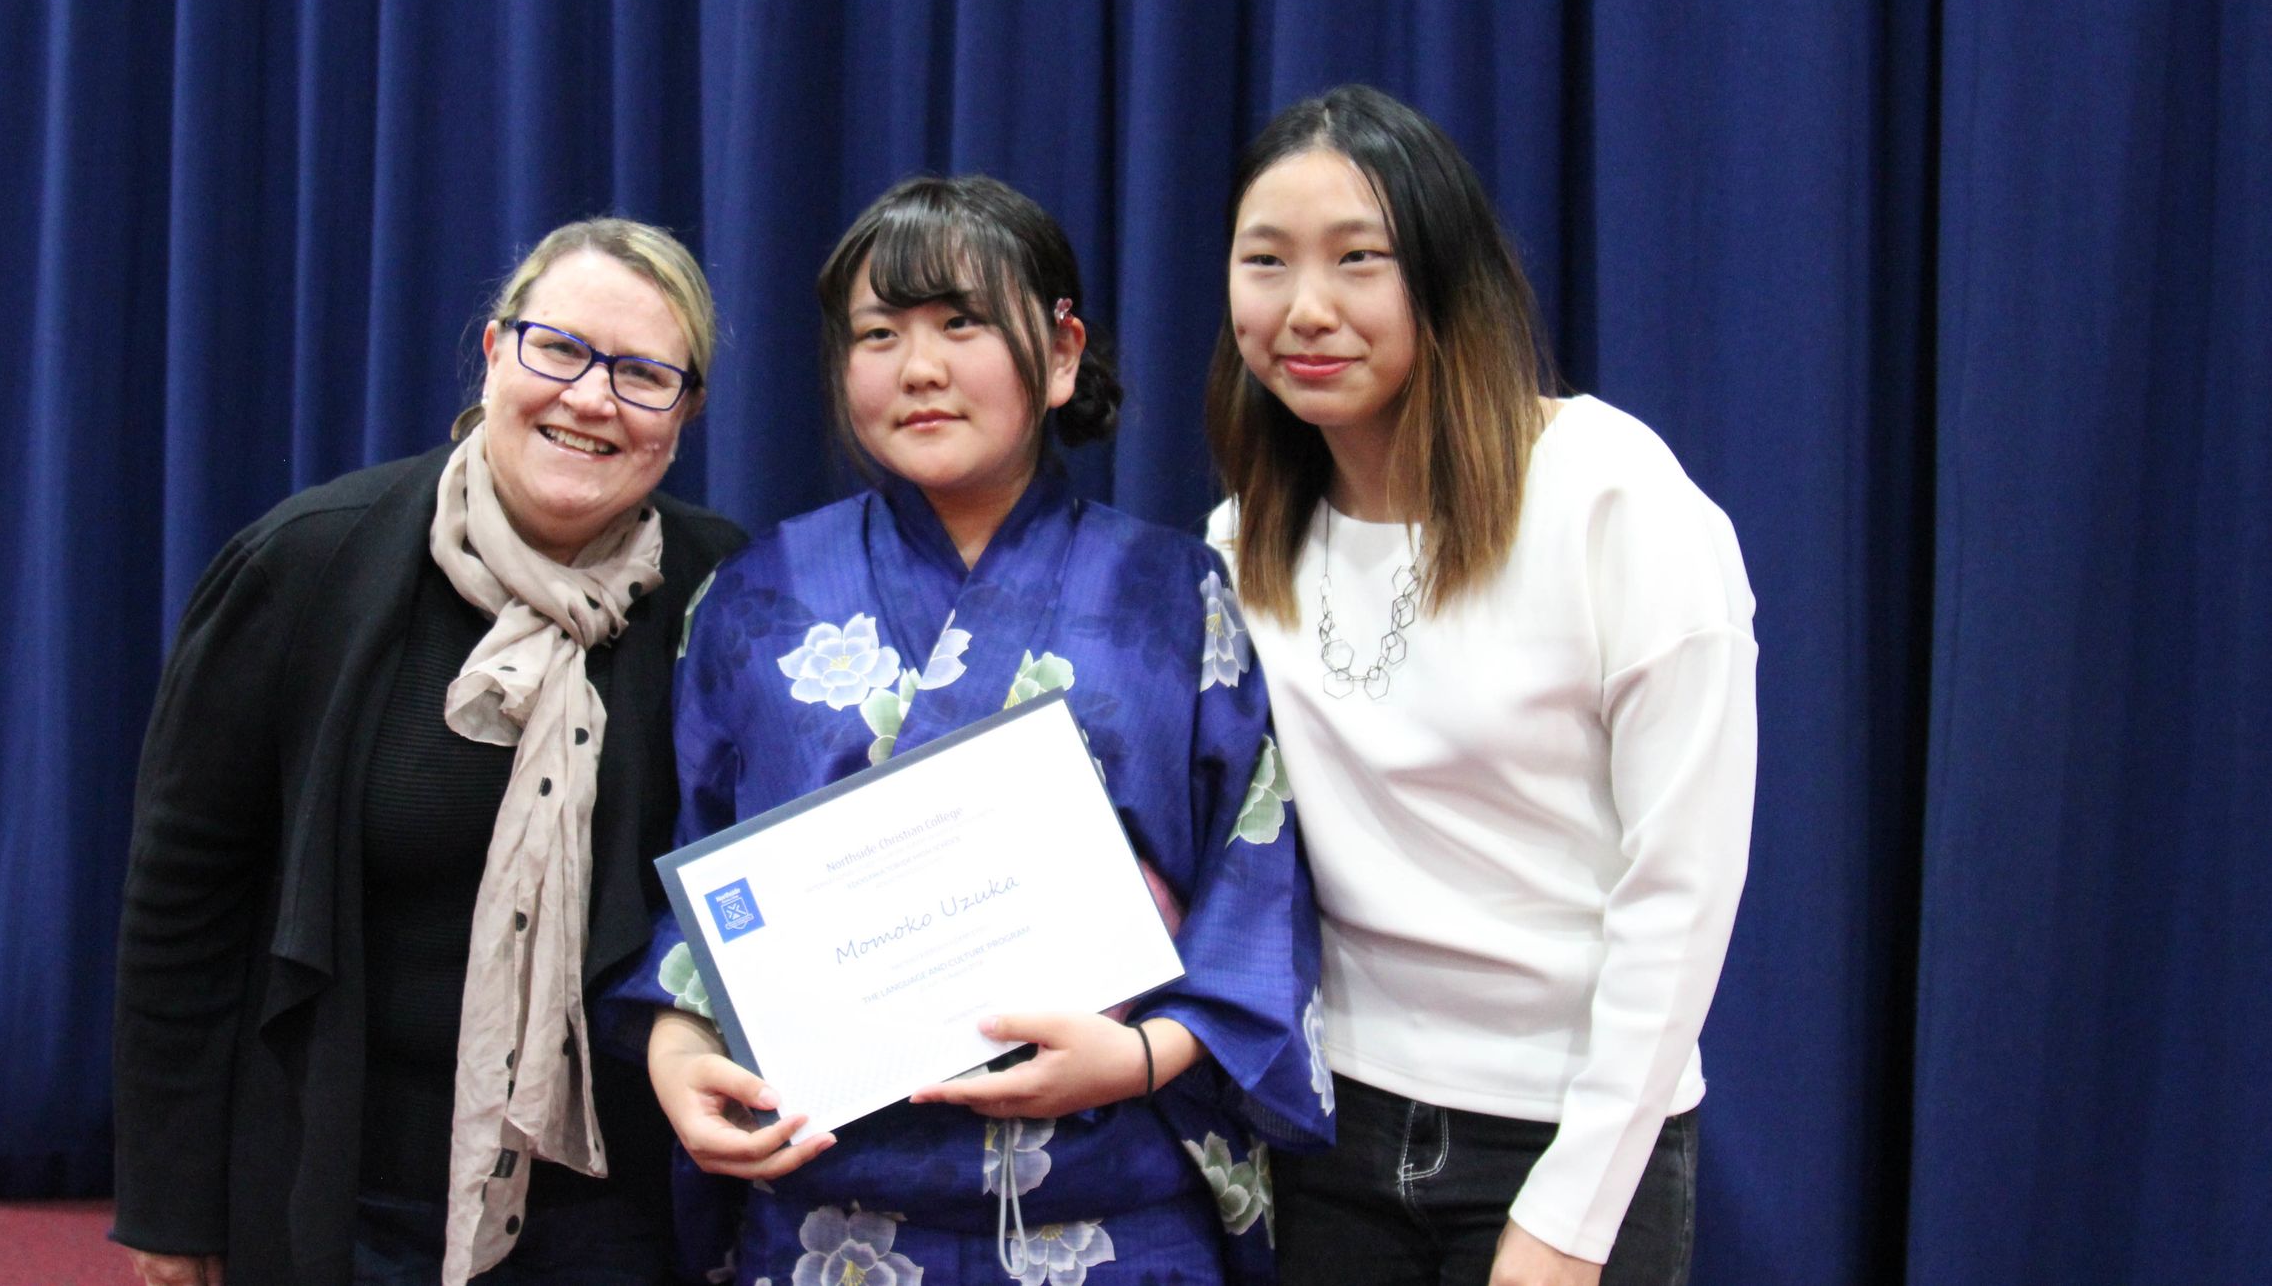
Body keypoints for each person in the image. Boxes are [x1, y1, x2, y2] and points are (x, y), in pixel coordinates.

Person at [636, 176, 1334, 1285]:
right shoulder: (753, 598)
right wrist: (677, 1048)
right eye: (878, 333)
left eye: (961, 322)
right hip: (829, 1216)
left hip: (1115, 1214)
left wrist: (1140, 1054)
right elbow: (697, 892)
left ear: (1060, 353)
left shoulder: (1174, 592)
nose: (918, 367)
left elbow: (1255, 880)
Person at [113, 219, 747, 1286]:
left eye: (643, 374)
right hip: (349, 1191)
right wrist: (170, 1203)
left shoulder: (725, 593)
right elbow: (183, 898)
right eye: (560, 349)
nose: (591, 397)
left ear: (683, 414)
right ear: (495, 352)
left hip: (619, 1209)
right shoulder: (308, 564)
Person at [1203, 86, 1756, 1286]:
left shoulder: (1612, 496)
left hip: (1568, 1130)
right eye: (1266, 260)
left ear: (1448, 275)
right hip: (1327, 1128)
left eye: (1360, 259)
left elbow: (1682, 884)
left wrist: (1571, 1214)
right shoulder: (1240, 540)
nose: (1306, 306)